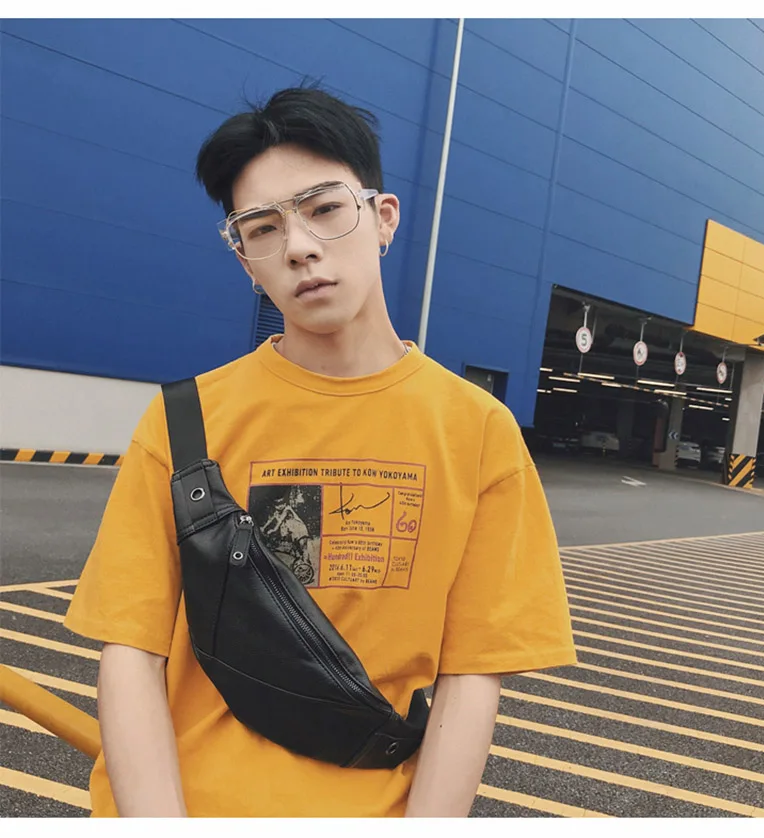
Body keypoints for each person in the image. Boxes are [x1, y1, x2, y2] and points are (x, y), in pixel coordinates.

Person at [64, 86, 576, 818]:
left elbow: (471, 678)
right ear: (246, 261)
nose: (299, 246)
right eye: (263, 228)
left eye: (325, 209)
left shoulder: (477, 432)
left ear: (384, 218)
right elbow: (129, 651)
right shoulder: (185, 421)